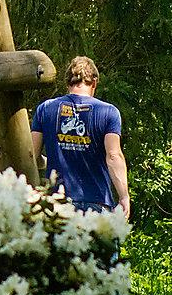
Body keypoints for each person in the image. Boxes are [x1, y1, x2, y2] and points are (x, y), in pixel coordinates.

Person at [31, 56, 131, 217]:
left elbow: (30, 155)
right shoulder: (109, 112)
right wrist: (124, 196)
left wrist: (45, 161)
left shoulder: (45, 109)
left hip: (57, 203)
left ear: (67, 83)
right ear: (95, 82)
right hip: (97, 203)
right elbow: (113, 156)